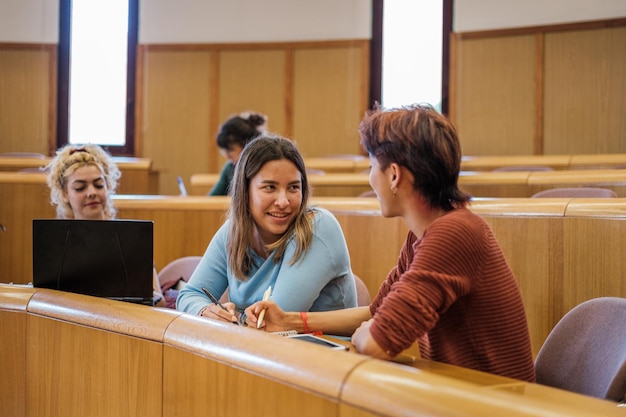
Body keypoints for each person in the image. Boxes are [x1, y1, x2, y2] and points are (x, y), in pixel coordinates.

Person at [243, 104, 536, 382]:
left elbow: (376, 344)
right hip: (460, 394)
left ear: (394, 175)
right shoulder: (425, 234)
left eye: (373, 166)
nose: (371, 178)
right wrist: (289, 321)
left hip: (494, 402)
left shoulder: (453, 234)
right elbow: (376, 312)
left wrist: (366, 333)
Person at [177, 134, 357, 323]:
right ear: (245, 191)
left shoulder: (318, 228)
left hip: (324, 349)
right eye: (270, 187)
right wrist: (205, 310)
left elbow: (272, 319)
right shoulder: (233, 232)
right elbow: (189, 294)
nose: (283, 201)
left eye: (293, 187)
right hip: (261, 348)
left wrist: (237, 316)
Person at [46, 144, 164, 305]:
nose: (91, 192)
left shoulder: (131, 239)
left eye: (99, 185)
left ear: (108, 186)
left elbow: (160, 302)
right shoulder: (56, 244)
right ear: (65, 194)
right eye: (80, 187)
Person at [209, 112, 267, 196]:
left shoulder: (265, 168)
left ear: (247, 146)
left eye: (231, 150)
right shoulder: (230, 168)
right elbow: (211, 199)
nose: (227, 156)